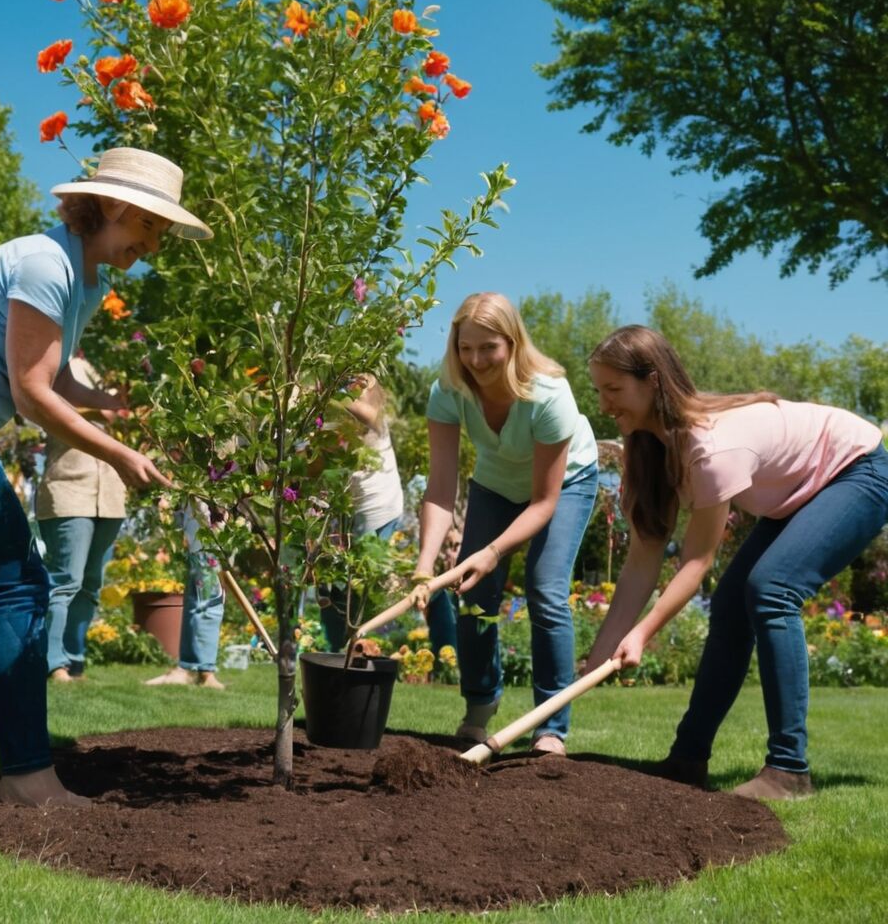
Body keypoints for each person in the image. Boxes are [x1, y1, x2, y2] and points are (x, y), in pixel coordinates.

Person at [0, 147, 211, 806]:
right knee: (19, 584)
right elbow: (29, 393)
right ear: (115, 207)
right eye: (153, 226)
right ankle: (27, 776)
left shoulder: (84, 278)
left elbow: (57, 374)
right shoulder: (44, 263)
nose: (156, 243)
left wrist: (117, 406)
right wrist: (116, 453)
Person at [583, 325, 888, 799]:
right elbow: (642, 563)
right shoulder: (649, 450)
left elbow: (696, 560)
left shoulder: (711, 447)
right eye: (599, 390)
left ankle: (789, 770)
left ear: (654, 381)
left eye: (614, 390)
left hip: (856, 470)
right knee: (729, 606)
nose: (604, 405)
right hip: (796, 495)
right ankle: (687, 760)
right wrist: (601, 652)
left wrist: (641, 634)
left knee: (771, 589)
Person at [413, 292, 599, 754]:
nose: (476, 359)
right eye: (465, 347)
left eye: (488, 347)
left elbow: (543, 500)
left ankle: (550, 727)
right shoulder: (448, 392)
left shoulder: (549, 395)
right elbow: (440, 487)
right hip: (496, 483)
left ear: (512, 343)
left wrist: (493, 551)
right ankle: (480, 706)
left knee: (545, 587)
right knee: (471, 591)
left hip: (565, 482)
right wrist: (424, 568)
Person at [37, 356, 127, 683]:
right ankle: (52, 663)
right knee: (65, 581)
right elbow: (47, 409)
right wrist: (105, 410)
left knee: (90, 586)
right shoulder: (53, 366)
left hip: (111, 495)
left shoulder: (104, 374)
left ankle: (74, 661)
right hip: (69, 490)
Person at [318, 373, 405, 651]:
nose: (350, 395)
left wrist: (324, 390)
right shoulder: (340, 433)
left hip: (381, 512)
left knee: (365, 584)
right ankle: (341, 647)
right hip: (355, 518)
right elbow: (317, 465)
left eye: (358, 389)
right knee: (340, 585)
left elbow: (366, 411)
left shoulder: (377, 424)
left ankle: (365, 644)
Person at [146, 498, 226, 688]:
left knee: (206, 589)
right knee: (204, 588)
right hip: (202, 507)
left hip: (219, 505)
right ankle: (199, 670)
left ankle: (195, 669)